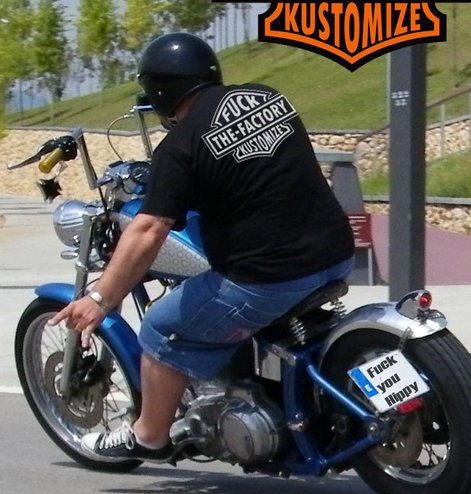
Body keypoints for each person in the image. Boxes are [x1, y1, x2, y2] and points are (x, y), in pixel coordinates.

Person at [50, 32, 355, 463]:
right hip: (336, 254)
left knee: (161, 327)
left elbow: (149, 228)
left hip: (271, 280)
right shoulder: (267, 98)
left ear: (159, 93)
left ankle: (149, 436)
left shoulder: (179, 147)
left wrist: (100, 298)